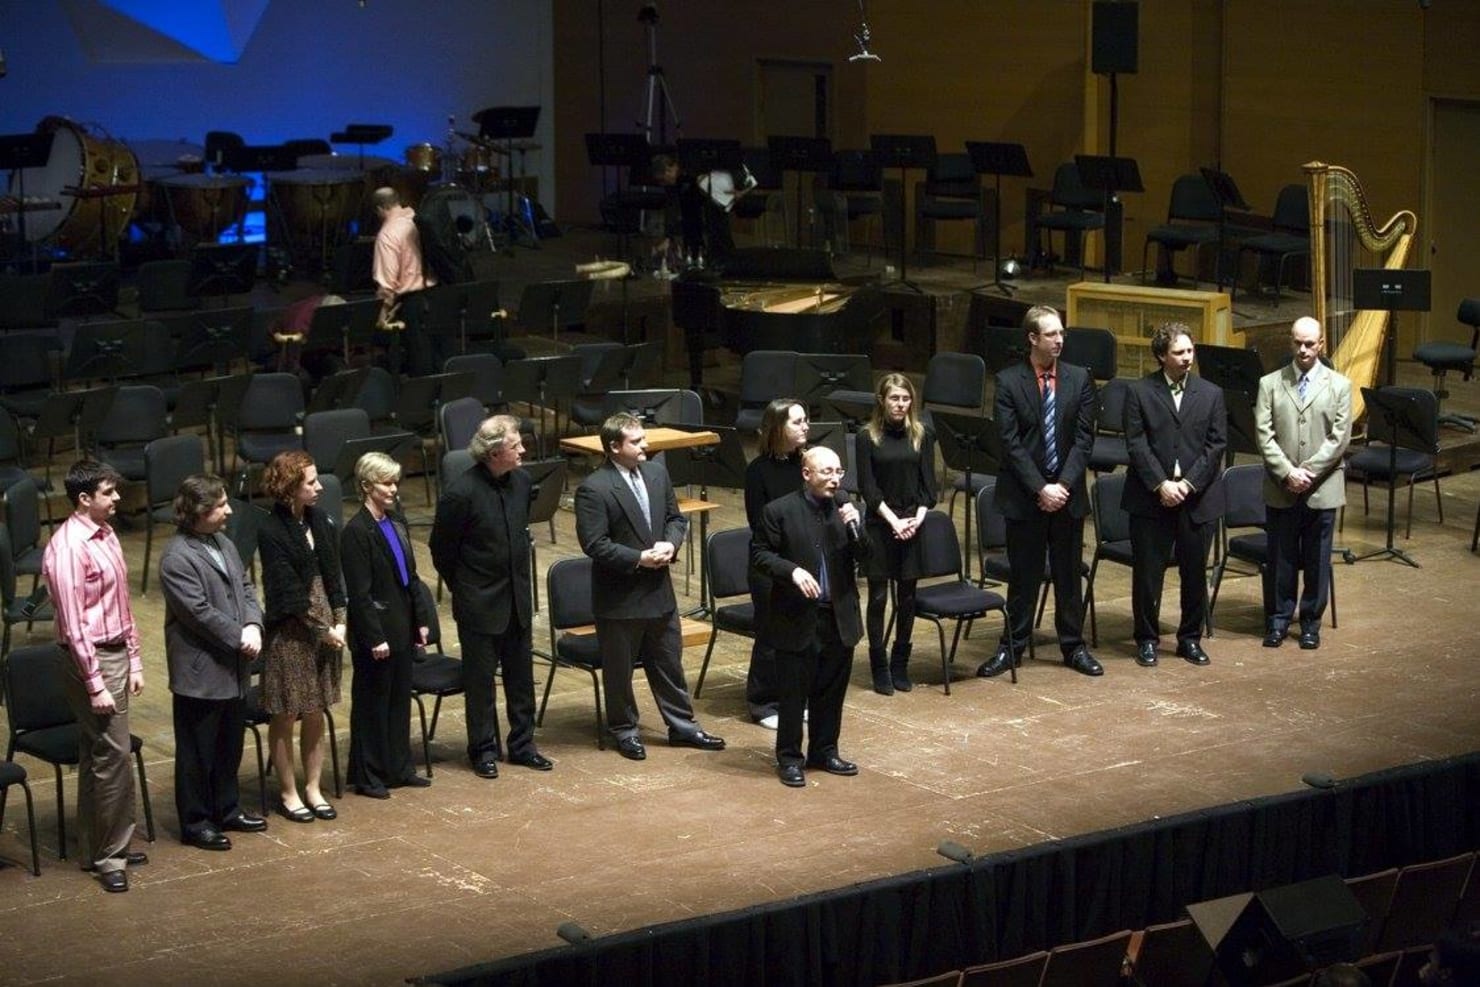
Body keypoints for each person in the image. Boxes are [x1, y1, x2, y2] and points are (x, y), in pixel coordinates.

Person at [574, 412, 726, 760]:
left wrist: (671, 545)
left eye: (644, 438)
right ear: (614, 447)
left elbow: (675, 518)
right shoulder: (594, 488)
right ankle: (624, 730)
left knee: (669, 663)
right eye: (637, 441)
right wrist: (638, 558)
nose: (646, 445)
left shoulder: (657, 473)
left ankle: (683, 728)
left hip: (659, 591)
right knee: (619, 672)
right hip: (620, 596)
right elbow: (594, 543)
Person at [978, 305, 1101, 679]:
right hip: (1025, 495)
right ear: (1032, 338)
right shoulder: (1009, 381)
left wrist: (1061, 485)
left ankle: (1073, 647)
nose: (1059, 340)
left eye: (1061, 333)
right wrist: (1040, 488)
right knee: (1024, 575)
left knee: (1067, 575)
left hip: (1067, 494)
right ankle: (1012, 647)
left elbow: (1084, 439)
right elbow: (1010, 443)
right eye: (1051, 334)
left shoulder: (1079, 379)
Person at [42, 460, 147, 892]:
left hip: (116, 652)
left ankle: (97, 848)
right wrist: (96, 682)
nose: (118, 498)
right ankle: (110, 856)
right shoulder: (68, 548)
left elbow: (119, 603)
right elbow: (74, 624)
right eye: (109, 492)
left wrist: (136, 658)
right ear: (84, 498)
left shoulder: (105, 533)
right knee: (113, 758)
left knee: (97, 754)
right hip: (93, 660)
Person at [429, 414, 552, 779]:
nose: (523, 451)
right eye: (516, 446)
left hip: (516, 597)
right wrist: (465, 587)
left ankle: (523, 745)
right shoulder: (461, 494)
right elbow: (441, 551)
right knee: (481, 683)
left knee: (520, 677)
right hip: (479, 602)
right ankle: (482, 749)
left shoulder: (522, 481)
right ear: (496, 452)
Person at [159, 474, 268, 852]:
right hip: (202, 671)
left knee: (228, 745)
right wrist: (240, 636)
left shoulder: (223, 542)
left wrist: (254, 623)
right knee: (197, 751)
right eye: (221, 505)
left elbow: (246, 587)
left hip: (233, 667)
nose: (229, 510)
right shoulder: (177, 557)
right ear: (200, 512)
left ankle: (227, 808)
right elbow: (198, 613)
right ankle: (196, 821)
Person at [752, 446, 871, 788]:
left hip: (839, 616)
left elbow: (868, 556)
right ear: (807, 474)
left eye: (838, 472)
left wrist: (858, 528)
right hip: (797, 616)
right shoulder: (780, 511)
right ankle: (789, 758)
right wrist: (791, 572)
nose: (835, 479)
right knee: (793, 694)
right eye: (826, 472)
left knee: (831, 691)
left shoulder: (847, 510)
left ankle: (825, 750)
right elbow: (760, 555)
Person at [1121, 322, 1227, 667]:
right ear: (1161, 356)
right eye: (1179, 353)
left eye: (1190, 351)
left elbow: (1216, 446)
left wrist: (1187, 484)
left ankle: (1189, 639)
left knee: (1194, 573)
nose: (1187, 359)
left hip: (1196, 498)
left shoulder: (1211, 393)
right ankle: (1147, 639)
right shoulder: (1139, 392)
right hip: (1152, 498)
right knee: (1148, 575)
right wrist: (1161, 484)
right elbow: (1136, 444)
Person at [256, 450, 346, 824]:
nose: (319, 487)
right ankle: (289, 791)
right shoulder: (272, 530)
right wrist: (323, 630)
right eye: (310, 482)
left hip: (327, 626)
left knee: (315, 709)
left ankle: (313, 786)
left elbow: (334, 576)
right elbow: (288, 593)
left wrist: (341, 620)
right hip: (293, 630)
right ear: (291, 487)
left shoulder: (320, 520)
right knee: (287, 711)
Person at [1254, 315, 1352, 650]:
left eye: (1310, 344)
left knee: (1317, 558)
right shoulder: (1270, 383)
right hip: (1282, 486)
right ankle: (1278, 621)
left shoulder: (1340, 385)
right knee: (1280, 557)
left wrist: (1306, 472)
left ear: (1321, 344)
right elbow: (1264, 436)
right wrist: (1288, 472)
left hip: (1321, 487)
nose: (1303, 350)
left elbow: (1340, 439)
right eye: (1297, 342)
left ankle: (1310, 622)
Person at [341, 452, 434, 797]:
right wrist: (373, 636)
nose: (394, 489)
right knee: (372, 704)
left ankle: (399, 767)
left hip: (402, 624)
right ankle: (369, 775)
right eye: (386, 483)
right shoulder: (355, 532)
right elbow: (360, 594)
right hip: (377, 632)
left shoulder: (395, 522)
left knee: (398, 701)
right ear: (366, 485)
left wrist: (420, 621)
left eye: (396, 481)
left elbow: (410, 577)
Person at [856, 373, 937, 695]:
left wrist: (915, 520)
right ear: (882, 400)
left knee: (906, 598)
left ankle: (900, 664)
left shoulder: (922, 435)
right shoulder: (867, 436)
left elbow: (928, 487)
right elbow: (868, 488)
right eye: (894, 398)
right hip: (881, 523)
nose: (900, 404)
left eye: (905, 399)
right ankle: (879, 664)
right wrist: (893, 521)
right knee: (877, 597)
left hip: (912, 523)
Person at [742, 398, 810, 728]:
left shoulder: (806, 465)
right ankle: (763, 704)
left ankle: (793, 699)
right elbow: (760, 524)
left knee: (801, 636)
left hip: (804, 563)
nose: (805, 427)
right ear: (778, 428)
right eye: (797, 422)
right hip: (771, 566)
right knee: (770, 636)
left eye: (805, 420)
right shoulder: (758, 471)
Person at [371, 185, 436, 373]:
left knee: (417, 362)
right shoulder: (416, 220)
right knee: (434, 357)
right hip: (435, 297)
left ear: (379, 209)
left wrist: (381, 317)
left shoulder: (387, 234)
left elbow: (387, 284)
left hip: (410, 305)